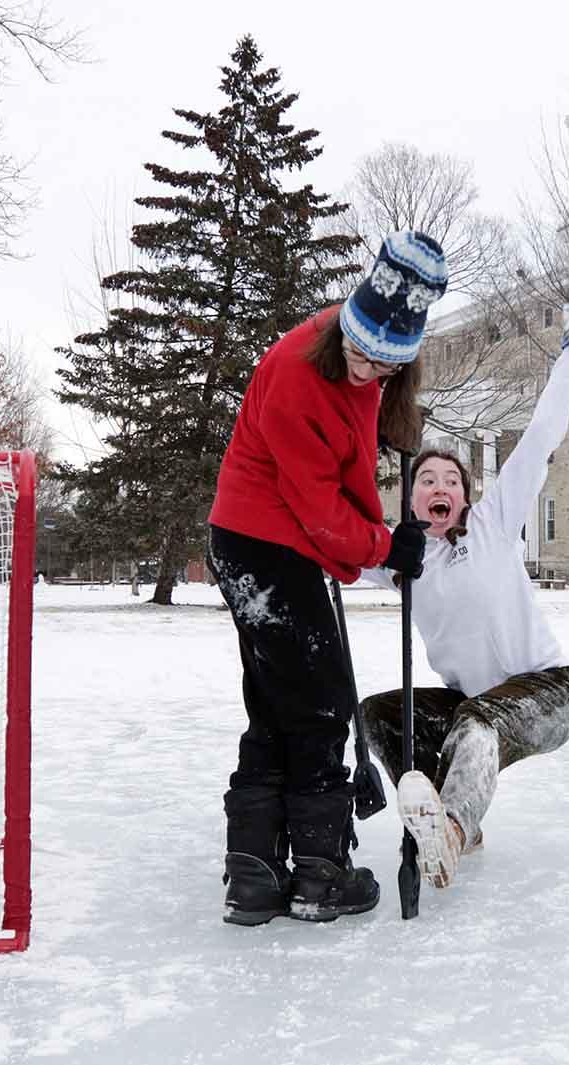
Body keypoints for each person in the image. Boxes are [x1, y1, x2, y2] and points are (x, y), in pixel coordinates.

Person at [206, 231, 446, 925]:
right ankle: (318, 872)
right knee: (317, 702)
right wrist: (383, 546)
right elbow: (319, 512)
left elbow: (347, 480)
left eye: (384, 363)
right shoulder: (296, 372)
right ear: (347, 321)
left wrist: (384, 531)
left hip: (277, 542)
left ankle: (253, 873)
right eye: (360, 352)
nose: (367, 368)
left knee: (283, 703)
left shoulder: (371, 373)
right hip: (260, 544)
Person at [357, 299, 569, 890]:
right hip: (472, 702)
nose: (440, 485)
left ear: (467, 494)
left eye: (452, 480)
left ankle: (452, 830)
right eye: (427, 480)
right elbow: (340, 556)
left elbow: (543, 433)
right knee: (379, 713)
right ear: (409, 498)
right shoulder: (402, 557)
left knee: (479, 718)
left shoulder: (495, 521)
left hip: (549, 689)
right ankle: (432, 807)